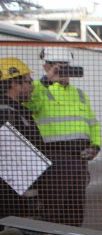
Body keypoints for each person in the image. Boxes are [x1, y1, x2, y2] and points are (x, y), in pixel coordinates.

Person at [27, 47, 100, 227]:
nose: (63, 70)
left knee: (75, 212)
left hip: (79, 161)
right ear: (46, 67)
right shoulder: (38, 89)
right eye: (58, 66)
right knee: (53, 213)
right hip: (53, 161)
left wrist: (96, 145)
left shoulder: (79, 94)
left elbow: (93, 123)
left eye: (66, 65)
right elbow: (29, 105)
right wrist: (47, 80)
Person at [0, 57, 47, 219]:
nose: (32, 86)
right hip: (11, 196)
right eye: (28, 81)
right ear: (14, 83)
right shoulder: (7, 113)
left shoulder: (18, 111)